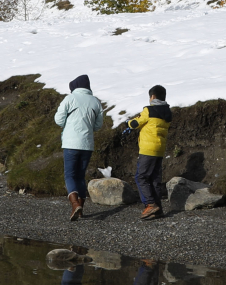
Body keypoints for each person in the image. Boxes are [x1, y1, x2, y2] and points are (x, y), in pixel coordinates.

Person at [53, 73, 105, 221]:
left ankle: (75, 204)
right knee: (80, 176)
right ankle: (80, 209)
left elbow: (58, 119)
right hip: (87, 144)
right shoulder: (95, 102)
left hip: (71, 143)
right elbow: (98, 125)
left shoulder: (70, 99)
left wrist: (68, 125)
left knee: (69, 175)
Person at [118, 85, 173, 220]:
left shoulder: (149, 110)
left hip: (148, 149)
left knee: (141, 177)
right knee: (154, 178)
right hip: (160, 149)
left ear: (152, 97)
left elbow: (136, 123)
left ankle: (150, 204)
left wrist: (128, 123)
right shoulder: (168, 112)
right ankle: (158, 209)